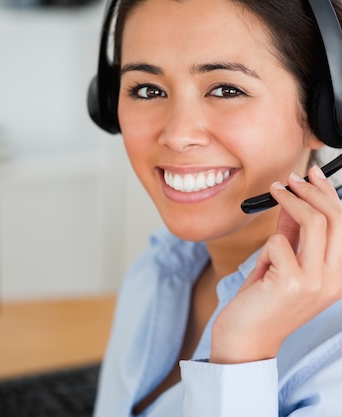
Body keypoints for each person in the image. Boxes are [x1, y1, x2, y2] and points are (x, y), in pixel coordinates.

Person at [88, 0, 342, 416]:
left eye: (226, 90)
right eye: (147, 90)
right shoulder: (161, 266)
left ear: (325, 110)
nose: (177, 135)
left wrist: (244, 355)